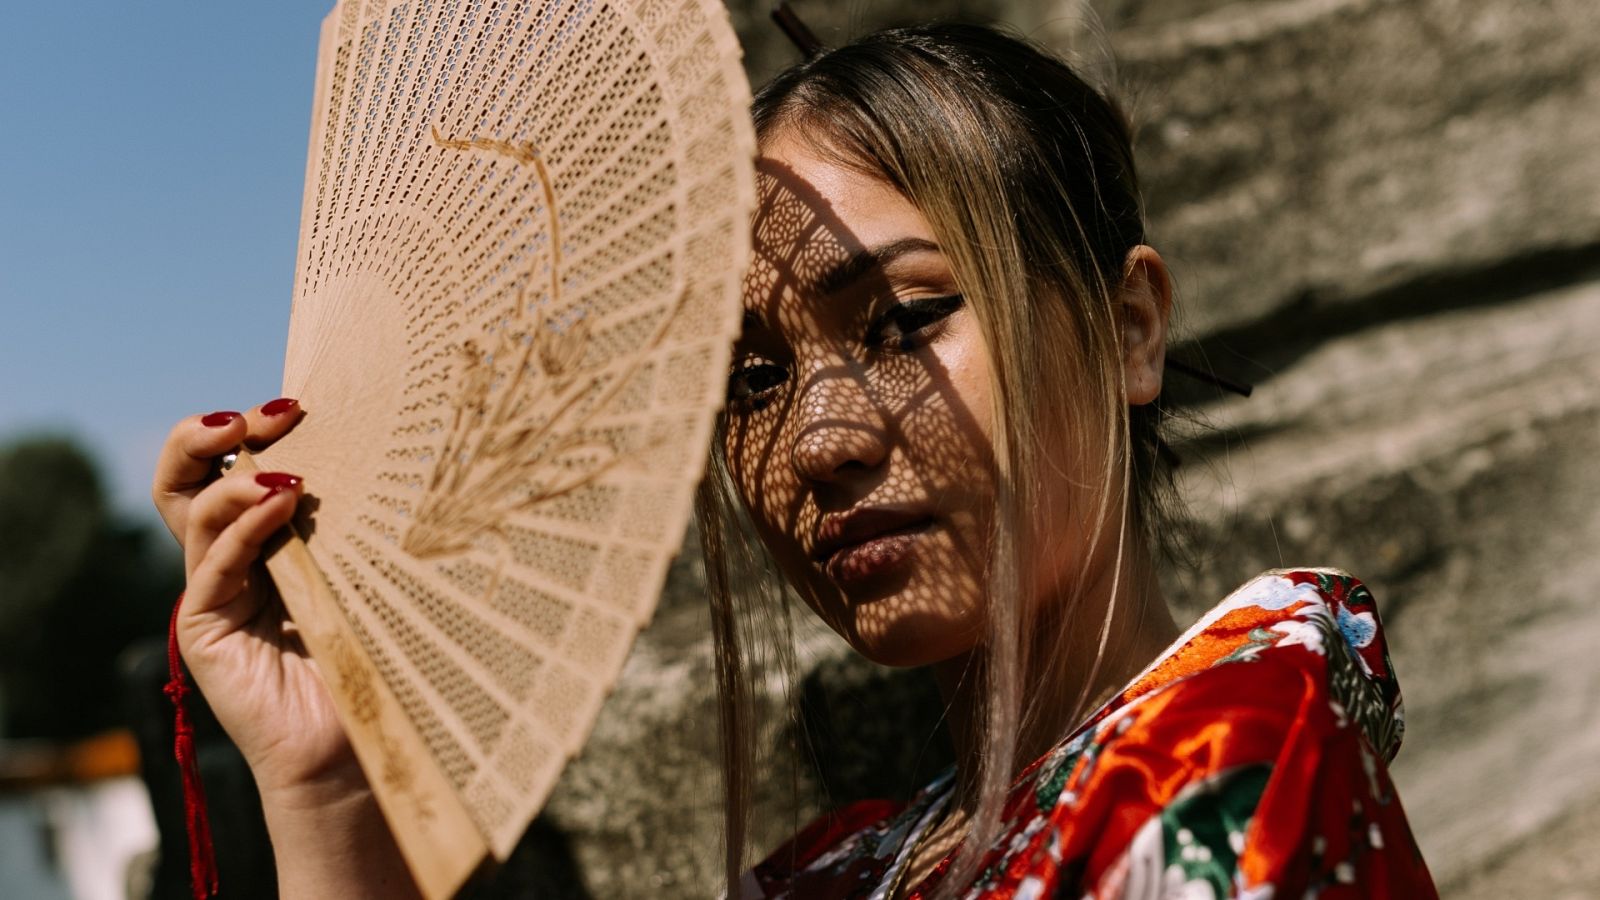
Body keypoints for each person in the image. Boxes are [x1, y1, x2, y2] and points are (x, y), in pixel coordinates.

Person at [152, 23, 1437, 900]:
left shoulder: (1237, 771)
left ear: (1125, 325)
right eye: (748, 380)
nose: (814, 441)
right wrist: (324, 775)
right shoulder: (846, 866)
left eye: (904, 320)